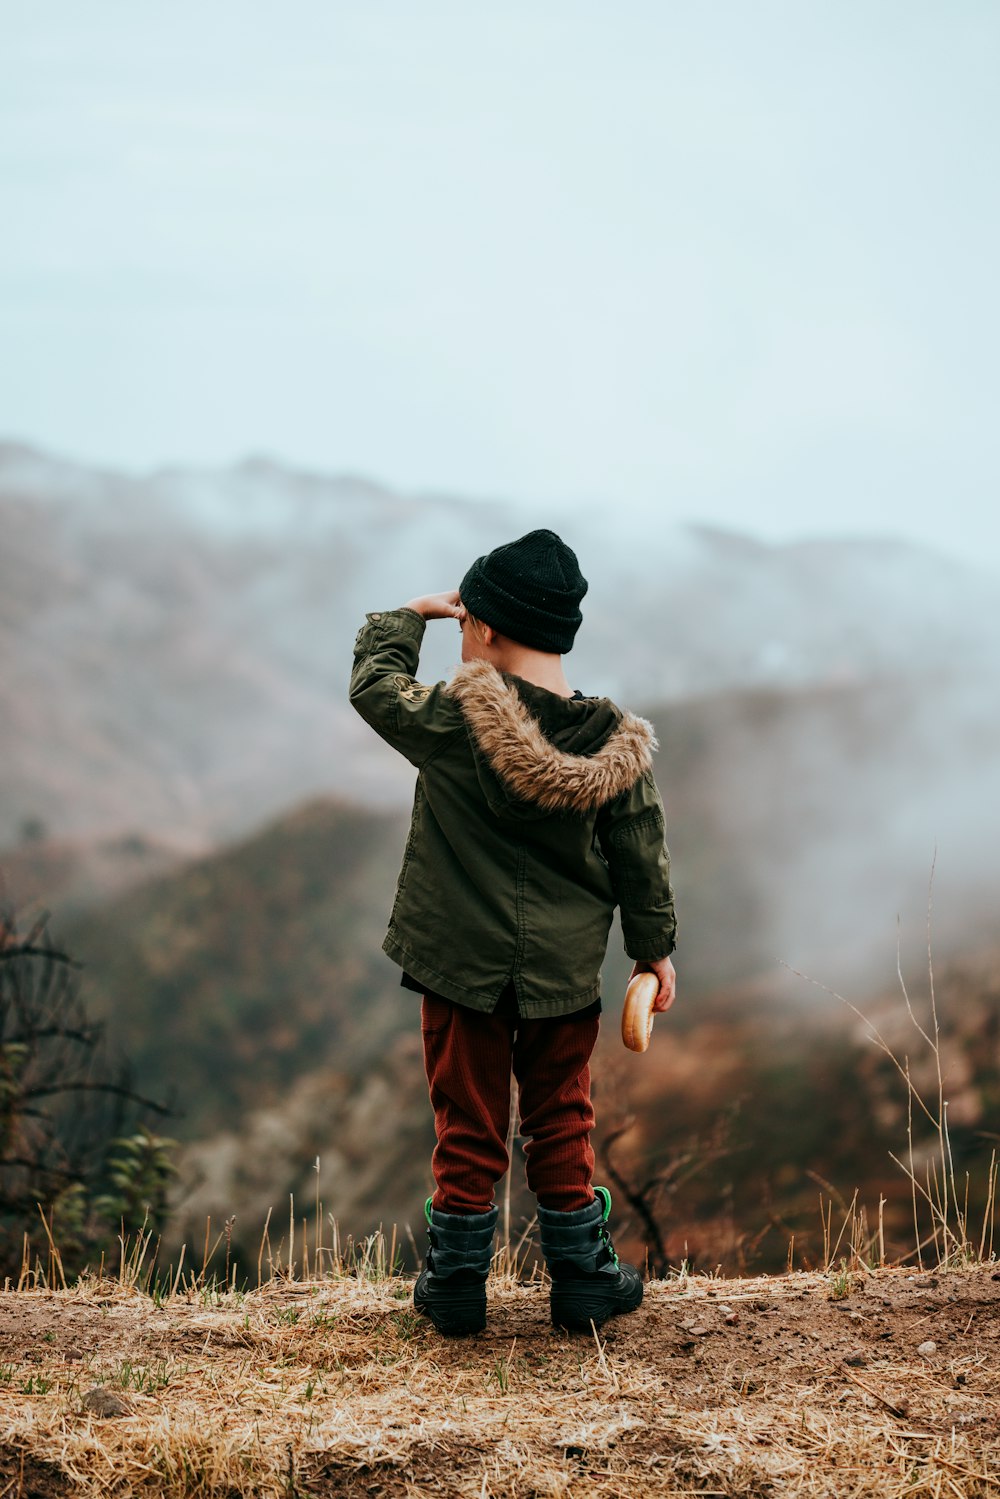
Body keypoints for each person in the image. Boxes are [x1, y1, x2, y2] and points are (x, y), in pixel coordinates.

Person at [349, 528, 677, 1335]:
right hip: (563, 979)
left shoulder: (455, 720)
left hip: (460, 971)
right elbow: (641, 857)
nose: (461, 636)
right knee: (563, 1116)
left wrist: (409, 615)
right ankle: (582, 1280)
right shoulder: (616, 748)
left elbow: (374, 686)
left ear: (486, 629)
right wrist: (654, 950)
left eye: (464, 622)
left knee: (468, 1118)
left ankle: (456, 1283)